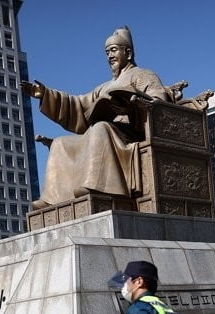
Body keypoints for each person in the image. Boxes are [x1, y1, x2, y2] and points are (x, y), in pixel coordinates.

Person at [21, 27, 171, 209]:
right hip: (105, 133)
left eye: (114, 50)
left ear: (128, 52)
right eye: (107, 52)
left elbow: (159, 101)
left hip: (131, 133)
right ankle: (53, 198)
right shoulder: (104, 87)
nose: (110, 56)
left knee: (100, 128)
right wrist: (46, 95)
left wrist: (135, 102)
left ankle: (98, 187)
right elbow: (78, 104)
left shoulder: (144, 75)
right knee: (61, 143)